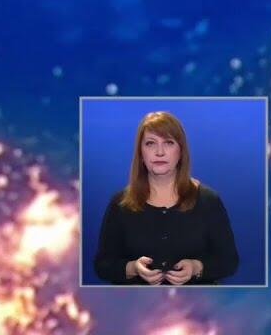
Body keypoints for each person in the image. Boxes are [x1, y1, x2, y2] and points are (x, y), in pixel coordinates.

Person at [93, 111, 239, 286]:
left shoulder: (208, 201)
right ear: (141, 153)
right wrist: (132, 268)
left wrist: (196, 267)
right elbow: (103, 266)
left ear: (181, 151)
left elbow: (229, 261)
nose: (159, 152)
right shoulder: (120, 203)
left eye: (168, 143)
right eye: (150, 143)